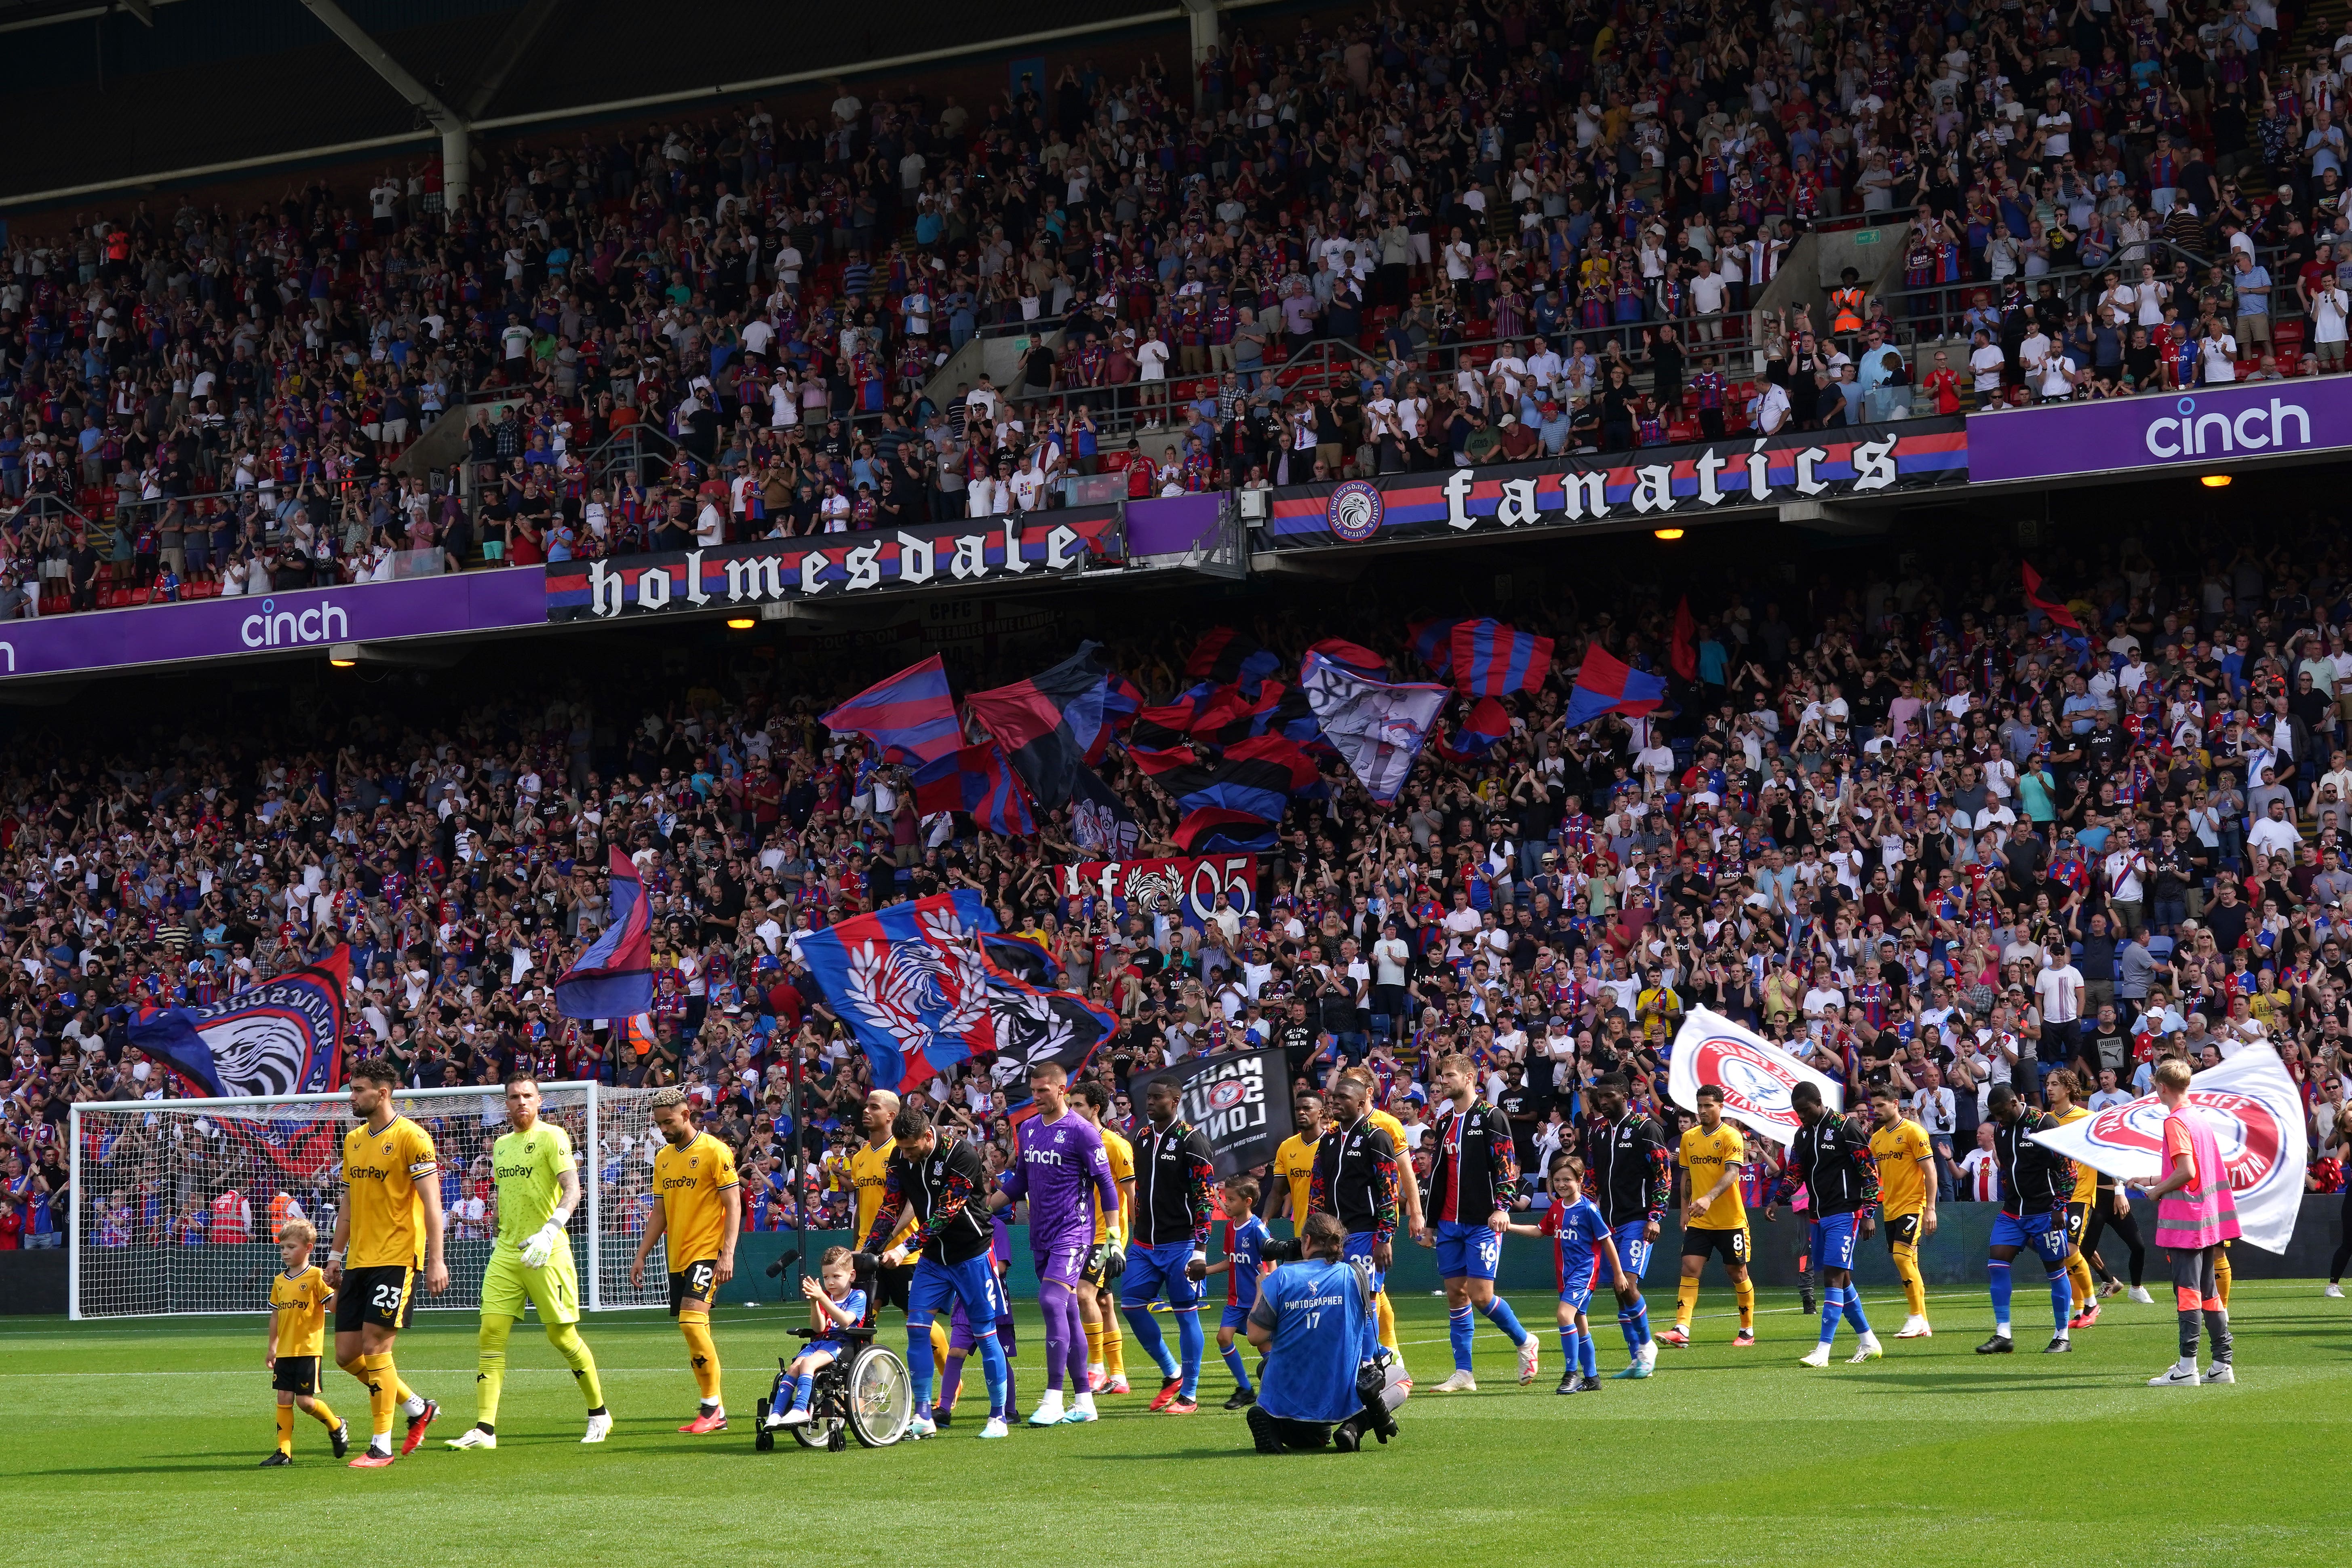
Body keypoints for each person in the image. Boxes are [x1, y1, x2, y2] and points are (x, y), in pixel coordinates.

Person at [447, 1074, 611, 1448]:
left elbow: (573, 1188)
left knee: (562, 1337)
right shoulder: (501, 1146)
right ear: (506, 1103)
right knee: (490, 1334)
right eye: (514, 1097)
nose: (521, 1102)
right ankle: (485, 1430)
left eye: (528, 1096)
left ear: (539, 1101)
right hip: (507, 1252)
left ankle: (599, 1413)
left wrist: (551, 1228)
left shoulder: (553, 1136)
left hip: (547, 1249)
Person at [325, 1057, 446, 1467]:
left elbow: (433, 1205)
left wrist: (435, 1260)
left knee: (376, 1346)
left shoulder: (413, 1137)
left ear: (383, 1092)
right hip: (358, 1258)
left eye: (358, 1089)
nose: (352, 1096)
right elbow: (348, 1203)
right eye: (352, 1089)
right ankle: (417, 1408)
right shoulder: (354, 1139)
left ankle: (381, 1444)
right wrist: (335, 1255)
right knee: (346, 1355)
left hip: (396, 1257)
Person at [866, 1101, 1012, 1439]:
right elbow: (891, 1206)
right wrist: (871, 1247)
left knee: (985, 1333)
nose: (907, 1155)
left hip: (971, 1255)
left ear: (928, 1136)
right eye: (902, 1149)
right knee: (917, 1329)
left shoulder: (963, 1156)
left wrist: (904, 1248)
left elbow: (946, 1213)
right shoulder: (900, 1157)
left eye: (912, 1148)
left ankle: (998, 1417)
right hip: (933, 1259)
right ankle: (922, 1415)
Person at [986, 1060, 1120, 1425]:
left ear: (1062, 1089)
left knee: (1050, 1300)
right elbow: (1019, 1184)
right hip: (1041, 1235)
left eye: (1043, 1090)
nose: (1037, 1096)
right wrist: (987, 1208)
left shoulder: (1082, 1132)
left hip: (1074, 1233)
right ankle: (1085, 1401)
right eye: (1033, 1091)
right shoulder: (1027, 1130)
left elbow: (1106, 1185)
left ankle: (1053, 1398)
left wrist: (1114, 1236)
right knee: (1070, 1310)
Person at [1416, 1054, 1539, 1389]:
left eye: (1450, 1076)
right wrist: (1430, 1223)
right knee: (1456, 1294)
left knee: (1481, 1295)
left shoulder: (1491, 1116)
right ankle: (1464, 1373)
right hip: (1447, 1223)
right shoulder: (1443, 1122)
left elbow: (1506, 1164)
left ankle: (1525, 1340)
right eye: (1442, 1076)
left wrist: (1502, 1207)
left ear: (1470, 1078)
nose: (1443, 1081)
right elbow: (1439, 1175)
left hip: (1482, 1221)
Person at [1242, 1211, 1408, 1453]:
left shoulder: (1281, 1277)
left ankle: (1274, 1424)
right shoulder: (1354, 1275)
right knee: (1401, 1375)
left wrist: (1260, 1288)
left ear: (1307, 1241)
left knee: (1265, 1369)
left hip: (1288, 1396)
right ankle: (1354, 1425)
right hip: (1341, 1397)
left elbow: (1255, 1337)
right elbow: (1369, 1330)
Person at [629, 1085, 742, 1432]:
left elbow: (733, 1204)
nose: (664, 1130)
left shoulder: (714, 1151)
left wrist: (727, 1254)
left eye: (668, 1122)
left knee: (691, 1322)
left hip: (707, 1252)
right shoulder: (663, 1159)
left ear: (686, 1115)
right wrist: (641, 1254)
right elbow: (660, 1214)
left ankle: (711, 1408)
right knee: (695, 1328)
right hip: (676, 1256)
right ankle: (716, 1409)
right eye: (659, 1124)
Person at [2134, 1057, 2240, 1386]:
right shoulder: (2198, 1118)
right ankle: (2222, 1364)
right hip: (2208, 1218)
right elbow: (2196, 1169)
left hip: (2186, 1221)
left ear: (2161, 1087)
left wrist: (2156, 1192)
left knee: (2189, 1293)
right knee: (2208, 1293)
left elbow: (2187, 1172)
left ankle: (2186, 1366)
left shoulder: (2175, 1122)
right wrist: (2154, 1178)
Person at [1766, 1081, 1882, 1367]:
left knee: (1832, 1277)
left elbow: (1869, 1173)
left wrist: (1869, 1213)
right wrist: (1778, 1199)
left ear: (1819, 1102)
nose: (1801, 1116)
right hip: (1818, 1215)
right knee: (1841, 1281)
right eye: (1797, 1112)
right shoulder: (1802, 1134)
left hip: (1846, 1213)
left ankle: (1823, 1350)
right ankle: (1869, 1341)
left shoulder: (1846, 1127)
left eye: (1805, 1110)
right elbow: (1795, 1172)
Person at [1124, 1075, 1220, 1414]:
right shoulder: (1143, 1138)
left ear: (1175, 1100)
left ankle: (1190, 1395)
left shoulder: (1193, 1141)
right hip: (1144, 1243)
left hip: (1181, 1245)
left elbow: (1205, 1197)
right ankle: (1172, 1373)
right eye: (1147, 1098)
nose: (1149, 1103)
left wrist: (1200, 1249)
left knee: (1185, 1316)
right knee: (1131, 1306)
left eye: (1157, 1098)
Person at [846, 1089, 952, 1378]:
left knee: (920, 1323)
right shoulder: (860, 1158)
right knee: (860, 1322)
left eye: (874, 1107)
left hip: (904, 1253)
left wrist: (886, 1240)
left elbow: (909, 1203)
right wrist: (860, 1245)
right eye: (866, 1106)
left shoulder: (906, 1151)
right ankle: (869, 1388)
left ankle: (951, 1383)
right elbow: (861, 1207)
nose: (866, 1111)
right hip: (868, 1253)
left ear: (891, 1115)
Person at [1501, 1157, 1625, 1395]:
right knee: (1580, 1323)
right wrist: (1509, 1227)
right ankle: (1592, 1377)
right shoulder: (1556, 1208)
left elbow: (1607, 1240)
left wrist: (1618, 1274)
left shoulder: (1588, 1209)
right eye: (1557, 1180)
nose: (1562, 1184)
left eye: (1567, 1179)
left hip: (1584, 1272)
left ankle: (1571, 1374)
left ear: (1580, 1181)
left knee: (1563, 1315)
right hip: (1565, 1274)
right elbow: (1539, 1232)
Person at [1310, 1072, 1403, 1370]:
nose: (1335, 1103)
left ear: (1362, 1102)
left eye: (1343, 1099)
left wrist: (1385, 1237)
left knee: (1367, 1295)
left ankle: (1366, 1363)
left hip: (1366, 1231)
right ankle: (1376, 1353)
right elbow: (1318, 1187)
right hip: (1335, 1234)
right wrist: (1316, 1229)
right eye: (1334, 1098)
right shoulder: (1329, 1141)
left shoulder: (1377, 1137)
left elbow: (1389, 1189)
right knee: (1339, 1296)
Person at [1978, 1083, 2076, 1355]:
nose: (1998, 1119)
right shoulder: (2000, 1130)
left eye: (2001, 1112)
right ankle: (2003, 1334)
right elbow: (2008, 1168)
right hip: (2012, 1212)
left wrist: (2060, 1206)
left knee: (2055, 1270)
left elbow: (2068, 1169)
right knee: (1997, 1264)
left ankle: (2062, 1336)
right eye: (1995, 1114)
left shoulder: (2044, 1123)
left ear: (2015, 1102)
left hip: (2045, 1211)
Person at [1582, 1073, 1668, 1377]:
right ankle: (1637, 1359)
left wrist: (1656, 1216)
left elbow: (1662, 1174)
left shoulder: (1646, 1128)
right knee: (1618, 1291)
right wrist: (1584, 1208)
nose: (1603, 1102)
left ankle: (1647, 1347)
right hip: (1609, 1223)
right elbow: (1592, 1177)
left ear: (1624, 1094)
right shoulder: (1599, 1132)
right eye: (1599, 1098)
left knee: (1627, 1285)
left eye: (1609, 1096)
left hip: (1638, 1218)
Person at [1660, 1083, 1756, 1349]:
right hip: (1699, 1219)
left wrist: (1708, 1198)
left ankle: (1747, 1331)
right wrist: (1684, 1209)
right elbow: (1687, 1177)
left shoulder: (1731, 1136)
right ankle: (1681, 1328)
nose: (1702, 1111)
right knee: (1689, 1267)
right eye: (1699, 1106)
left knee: (1736, 1272)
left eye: (1708, 1106)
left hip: (1730, 1220)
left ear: (1721, 1107)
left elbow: (1733, 1173)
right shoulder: (1689, 1138)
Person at [259, 1217, 348, 1465]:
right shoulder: (279, 1281)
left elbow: (333, 1308)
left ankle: (336, 1424)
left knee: (306, 1403)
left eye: (291, 1247)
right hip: (285, 1351)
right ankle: (284, 1452)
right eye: (282, 1248)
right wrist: (272, 1346)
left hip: (308, 1349)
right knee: (284, 1399)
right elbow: (276, 1314)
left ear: (308, 1248)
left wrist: (339, 1288)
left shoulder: (317, 1277)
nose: (285, 1252)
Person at [1071, 1080, 1134, 1394]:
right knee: (1105, 1304)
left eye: (1078, 1106)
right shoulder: (1072, 1142)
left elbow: (1131, 1194)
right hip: (1078, 1234)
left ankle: (1095, 1369)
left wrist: (1130, 1238)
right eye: (1070, 1105)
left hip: (1104, 1237)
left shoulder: (1116, 1145)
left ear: (1095, 1109)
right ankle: (1119, 1377)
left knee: (1084, 1294)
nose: (1072, 1111)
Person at [1865, 1083, 1939, 1339]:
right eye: (1873, 1106)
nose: (1876, 1111)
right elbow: (1875, 1178)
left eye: (1880, 1106)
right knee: (1910, 1263)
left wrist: (1930, 1209)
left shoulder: (1914, 1132)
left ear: (1896, 1104)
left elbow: (1930, 1172)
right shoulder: (1876, 1139)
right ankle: (1924, 1322)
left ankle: (1916, 1317)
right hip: (1891, 1209)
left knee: (1901, 1257)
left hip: (1913, 1205)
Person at [765, 1247, 868, 1427]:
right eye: (826, 1277)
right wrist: (815, 1302)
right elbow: (818, 1328)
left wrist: (822, 1298)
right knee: (794, 1368)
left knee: (807, 1364)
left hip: (844, 1343)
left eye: (836, 1277)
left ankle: (801, 1409)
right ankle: (776, 1414)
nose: (830, 1282)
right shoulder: (826, 1297)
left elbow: (845, 1321)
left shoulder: (858, 1296)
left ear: (851, 1276)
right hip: (821, 1342)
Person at [2042, 1069, 2105, 1330]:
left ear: (2068, 1088)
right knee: (2066, 1253)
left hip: (2080, 1193)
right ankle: (2080, 1311)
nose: (2049, 1088)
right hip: (2057, 1196)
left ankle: (2091, 1305)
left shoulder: (2087, 1119)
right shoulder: (2045, 1120)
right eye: (2047, 1084)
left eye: (2055, 1084)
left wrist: (2120, 1189)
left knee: (2069, 1249)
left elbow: (2105, 1152)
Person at [1202, 1176, 1271, 1408]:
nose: (1226, 1204)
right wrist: (1206, 1271)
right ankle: (1245, 1389)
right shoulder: (1230, 1228)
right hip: (1236, 1300)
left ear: (1247, 1201)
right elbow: (1231, 1262)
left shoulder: (1258, 1229)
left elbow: (1270, 1266)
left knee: (1263, 1346)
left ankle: (1276, 1389)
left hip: (1257, 1300)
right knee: (1223, 1337)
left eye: (1231, 1199)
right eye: (1225, 1198)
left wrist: (1269, 1294)